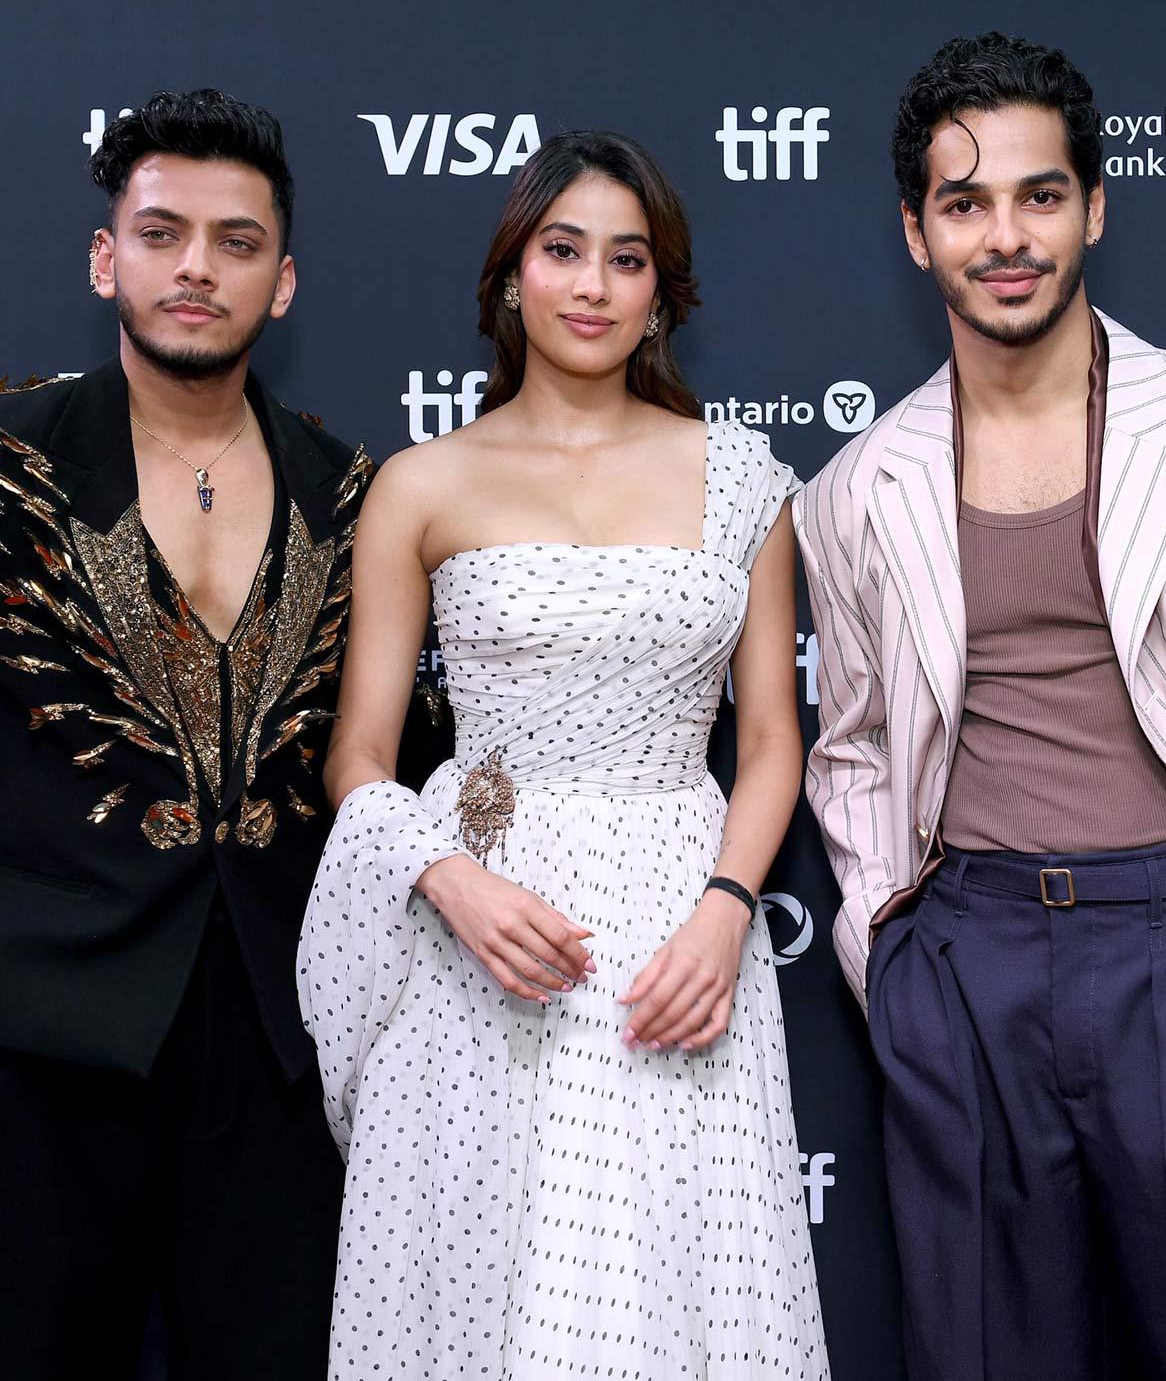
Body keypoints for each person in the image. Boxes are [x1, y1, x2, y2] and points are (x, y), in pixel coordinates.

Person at [299, 130, 829, 1379]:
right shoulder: (422, 483)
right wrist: (448, 880)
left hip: (677, 928)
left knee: (668, 1288)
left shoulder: (742, 478)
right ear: (511, 276)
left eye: (627, 259)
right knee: (474, 1290)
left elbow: (771, 740)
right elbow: (359, 753)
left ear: (661, 293)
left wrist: (726, 910)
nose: (593, 285)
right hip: (479, 921)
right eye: (563, 250)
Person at [796, 30, 1166, 1381]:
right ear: (919, 234)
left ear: (1096, 208)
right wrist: (893, 954)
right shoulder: (859, 488)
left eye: (1039, 195)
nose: (1007, 236)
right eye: (965, 204)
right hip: (970, 960)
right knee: (985, 1351)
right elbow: (852, 745)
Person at [0, 90, 368, 1379]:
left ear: (284, 282)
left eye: (236, 241)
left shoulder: (352, 493)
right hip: (48, 1025)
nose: (197, 267)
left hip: (278, 1031)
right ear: (108, 259)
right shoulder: (14, 463)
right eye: (163, 234)